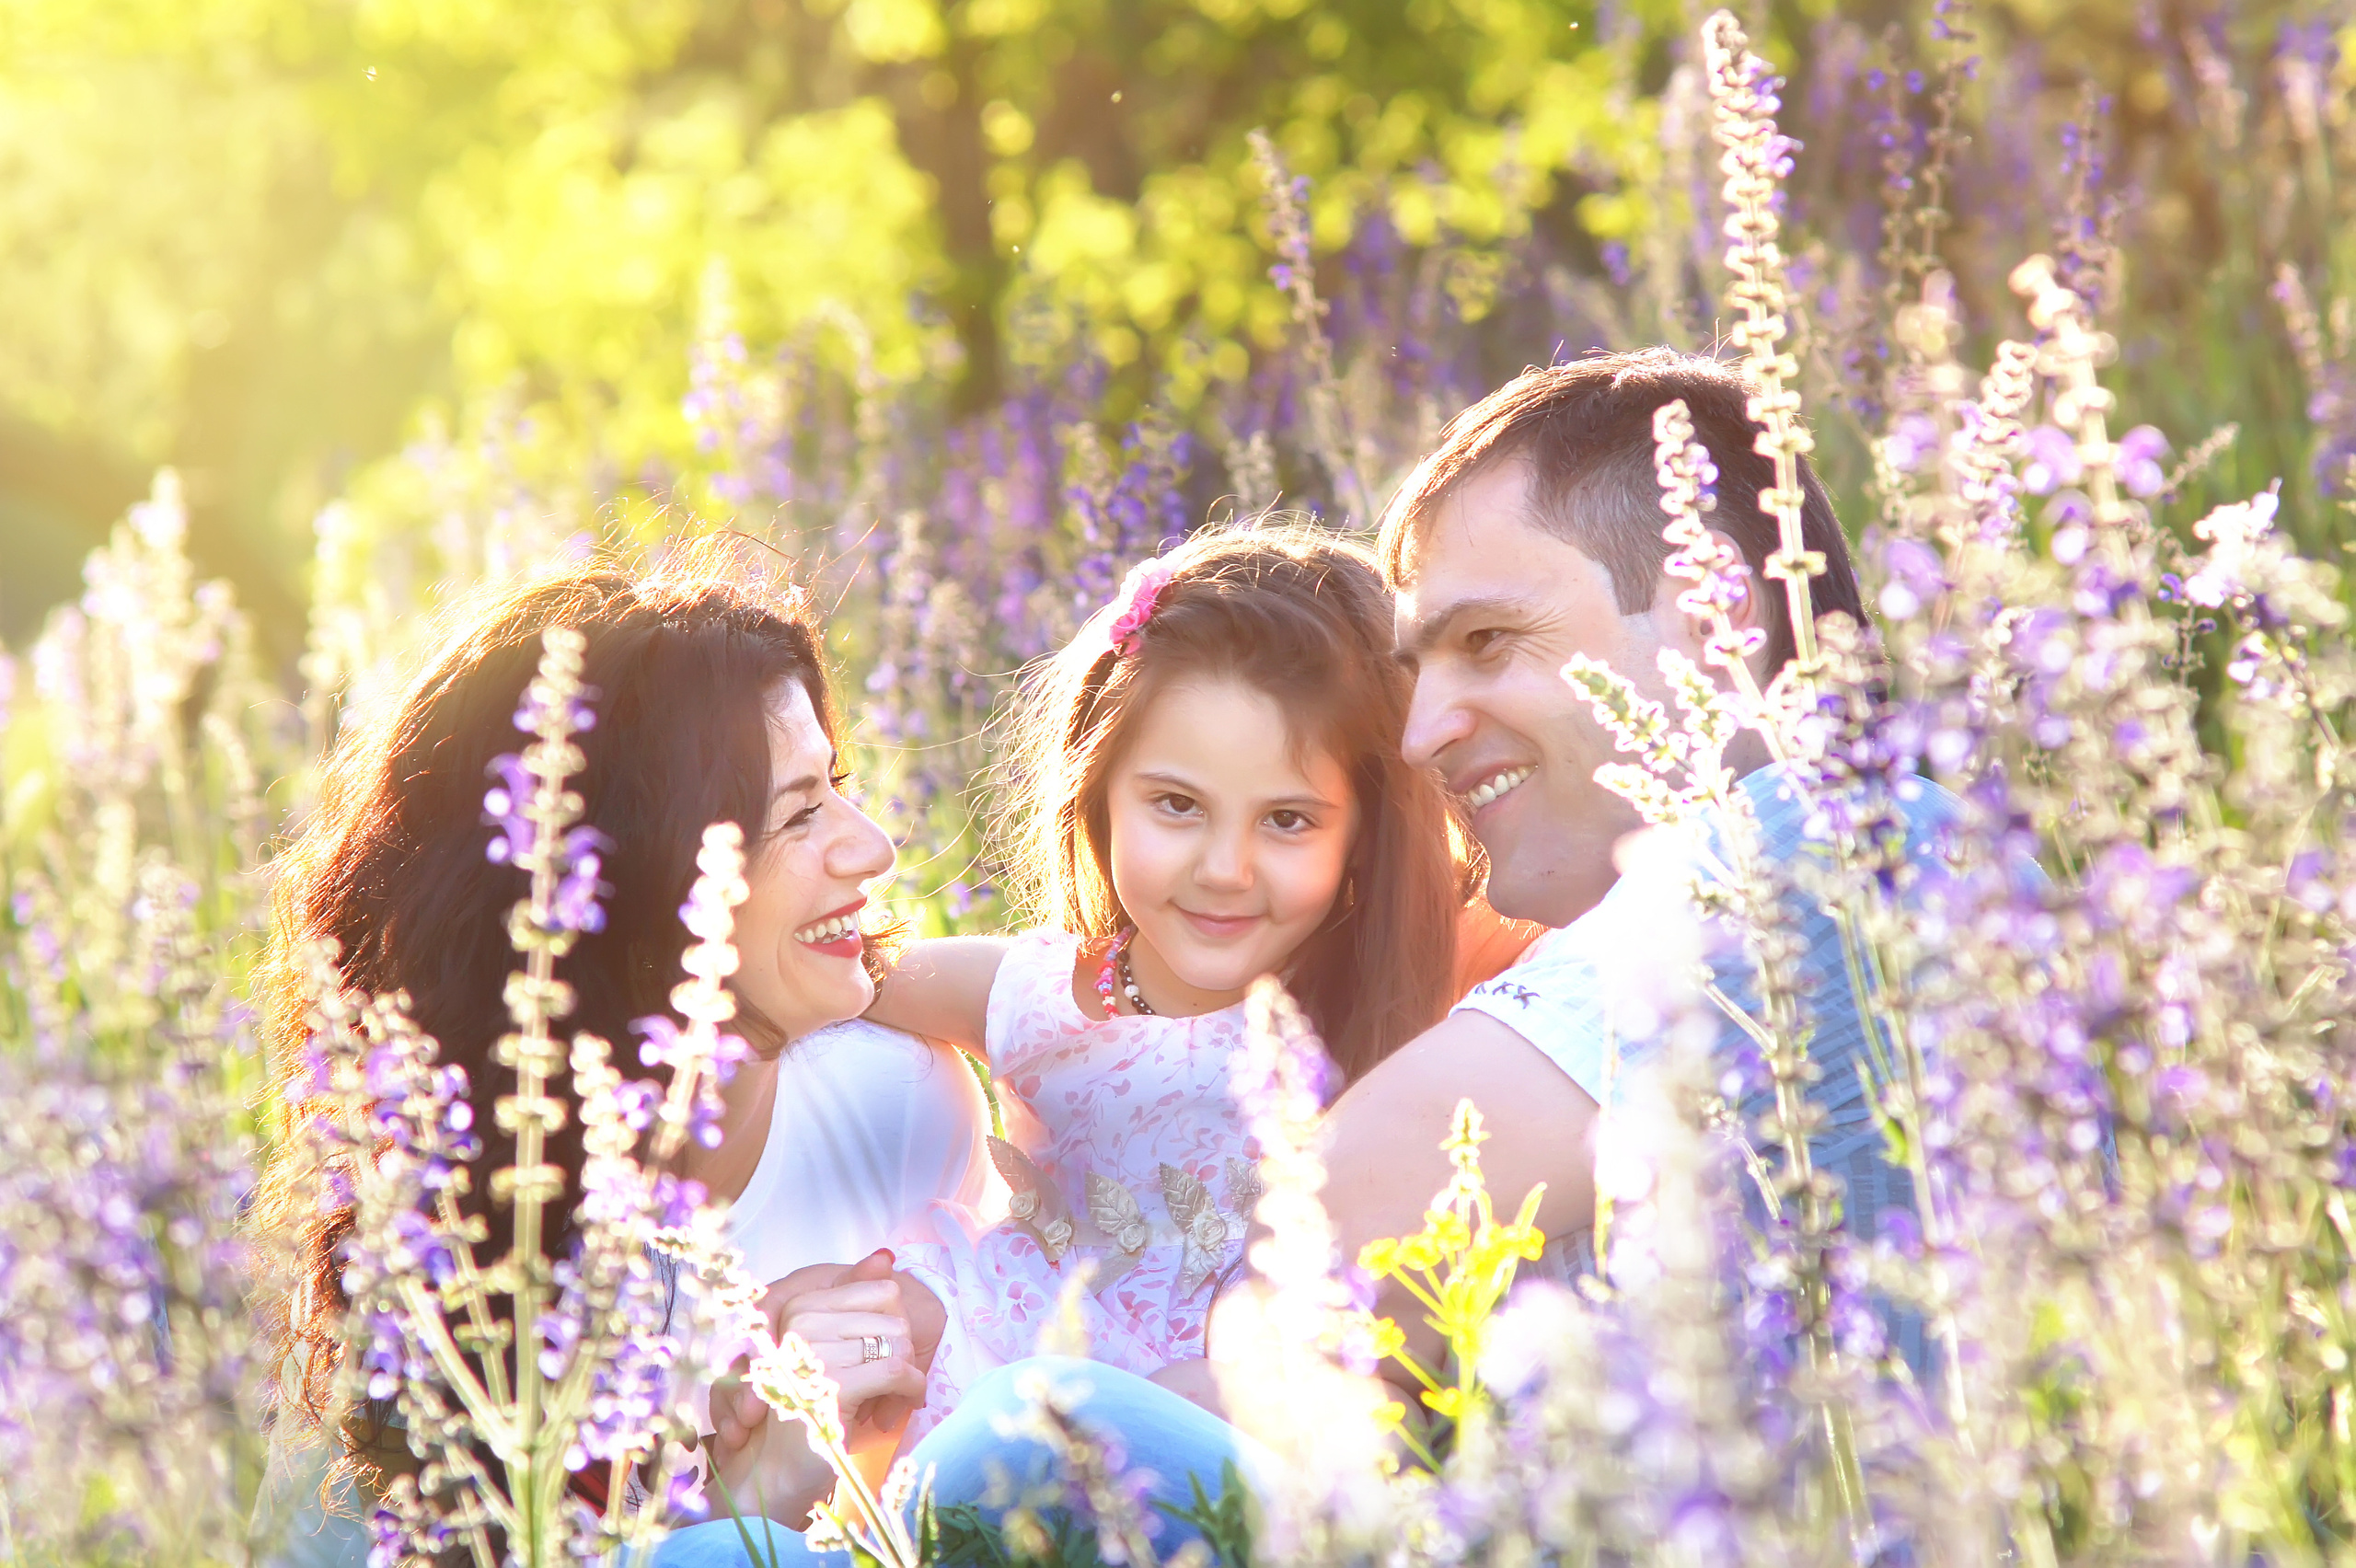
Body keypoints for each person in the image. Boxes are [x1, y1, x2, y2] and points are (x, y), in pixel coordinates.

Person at [245, 549, 999, 1565]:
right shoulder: (459, 1247)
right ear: (637, 901)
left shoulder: (900, 1103)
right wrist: (749, 1499)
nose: (874, 849)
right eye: (799, 814)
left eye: (840, 787)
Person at [855, 525, 1464, 1441]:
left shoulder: (1382, 1027)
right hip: (1002, 1363)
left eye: (1288, 820)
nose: (1225, 868)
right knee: (862, 1332)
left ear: (1363, 838)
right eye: (1176, 805)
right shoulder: (1042, 995)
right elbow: (837, 977)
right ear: (1098, 794)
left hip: (1216, 1422)